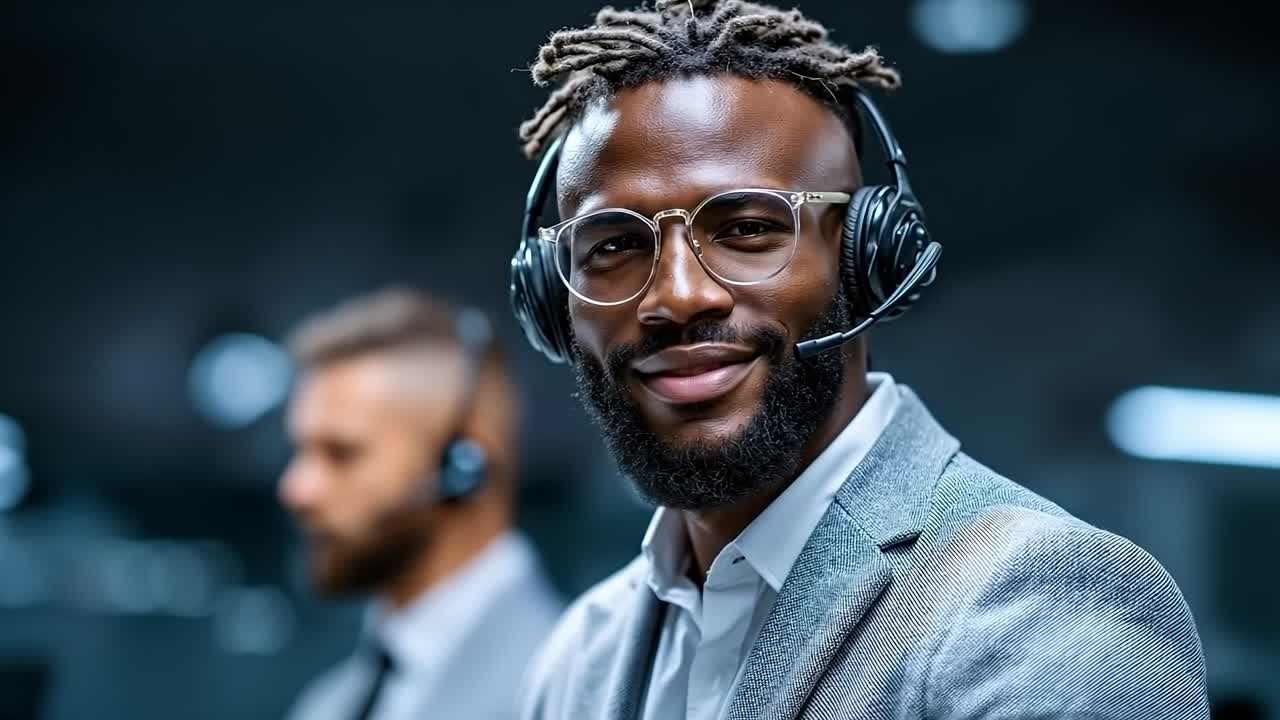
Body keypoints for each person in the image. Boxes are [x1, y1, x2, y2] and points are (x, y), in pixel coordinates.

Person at [505, 1, 1210, 718]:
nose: (679, 296)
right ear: (548, 300)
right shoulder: (578, 659)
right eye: (614, 246)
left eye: (748, 228)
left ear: (865, 259)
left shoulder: (1045, 608)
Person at [279, 287, 563, 720]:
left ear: (463, 464)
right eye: (300, 452)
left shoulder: (570, 689)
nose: (296, 489)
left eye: (341, 453)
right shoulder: (328, 703)